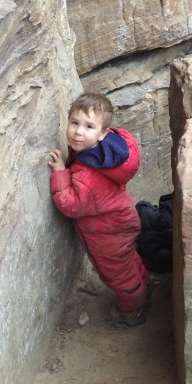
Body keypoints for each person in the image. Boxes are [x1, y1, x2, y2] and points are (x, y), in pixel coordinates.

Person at [47, 92, 151, 325]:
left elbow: (70, 205)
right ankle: (144, 285)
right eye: (74, 123)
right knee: (127, 261)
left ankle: (133, 309)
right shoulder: (107, 152)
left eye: (89, 127)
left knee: (117, 274)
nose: (78, 132)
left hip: (107, 233)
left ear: (103, 133)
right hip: (120, 222)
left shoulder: (87, 175)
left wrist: (60, 172)